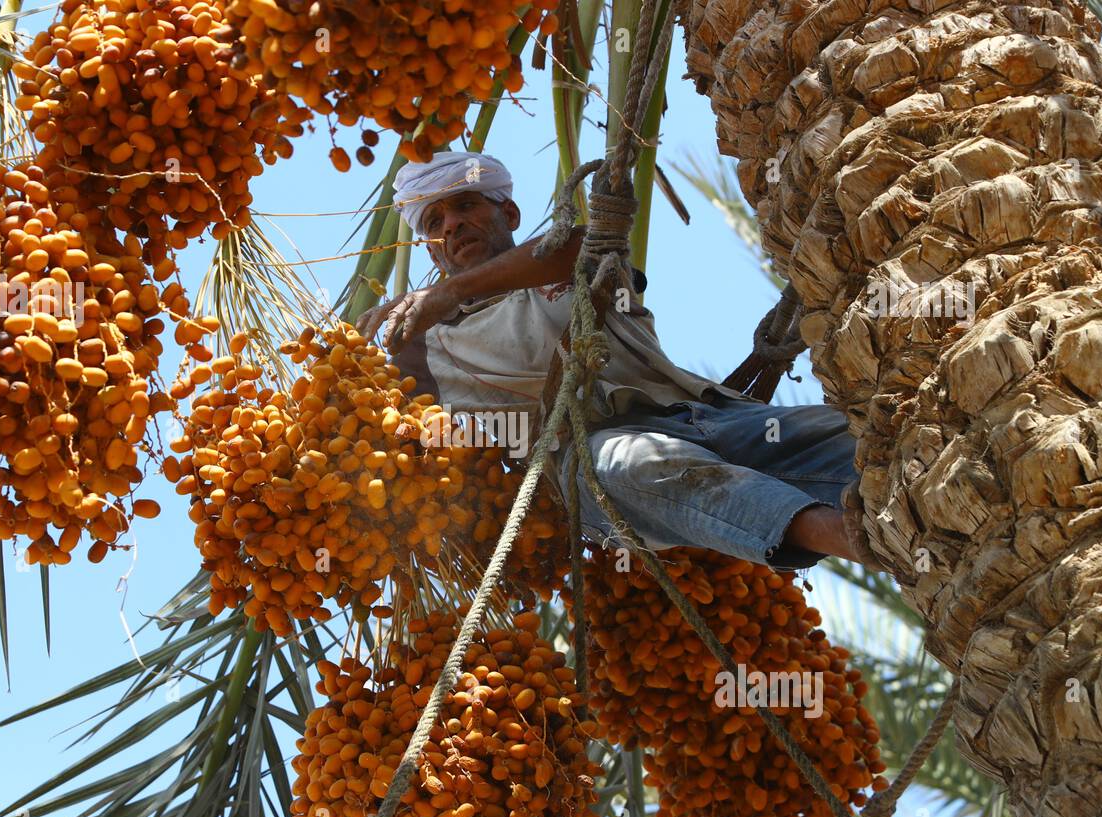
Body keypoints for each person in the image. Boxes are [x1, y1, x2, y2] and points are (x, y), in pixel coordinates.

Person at [358, 151, 882, 573]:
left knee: (857, 438)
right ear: (429, 248)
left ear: (508, 214)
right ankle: (848, 539)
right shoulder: (425, 344)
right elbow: (390, 431)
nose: (453, 224)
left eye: (466, 205)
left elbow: (587, 251)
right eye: (435, 221)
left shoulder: (563, 256)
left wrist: (451, 292)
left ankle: (929, 534)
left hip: (705, 415)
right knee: (633, 467)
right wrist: (366, 359)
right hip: (589, 460)